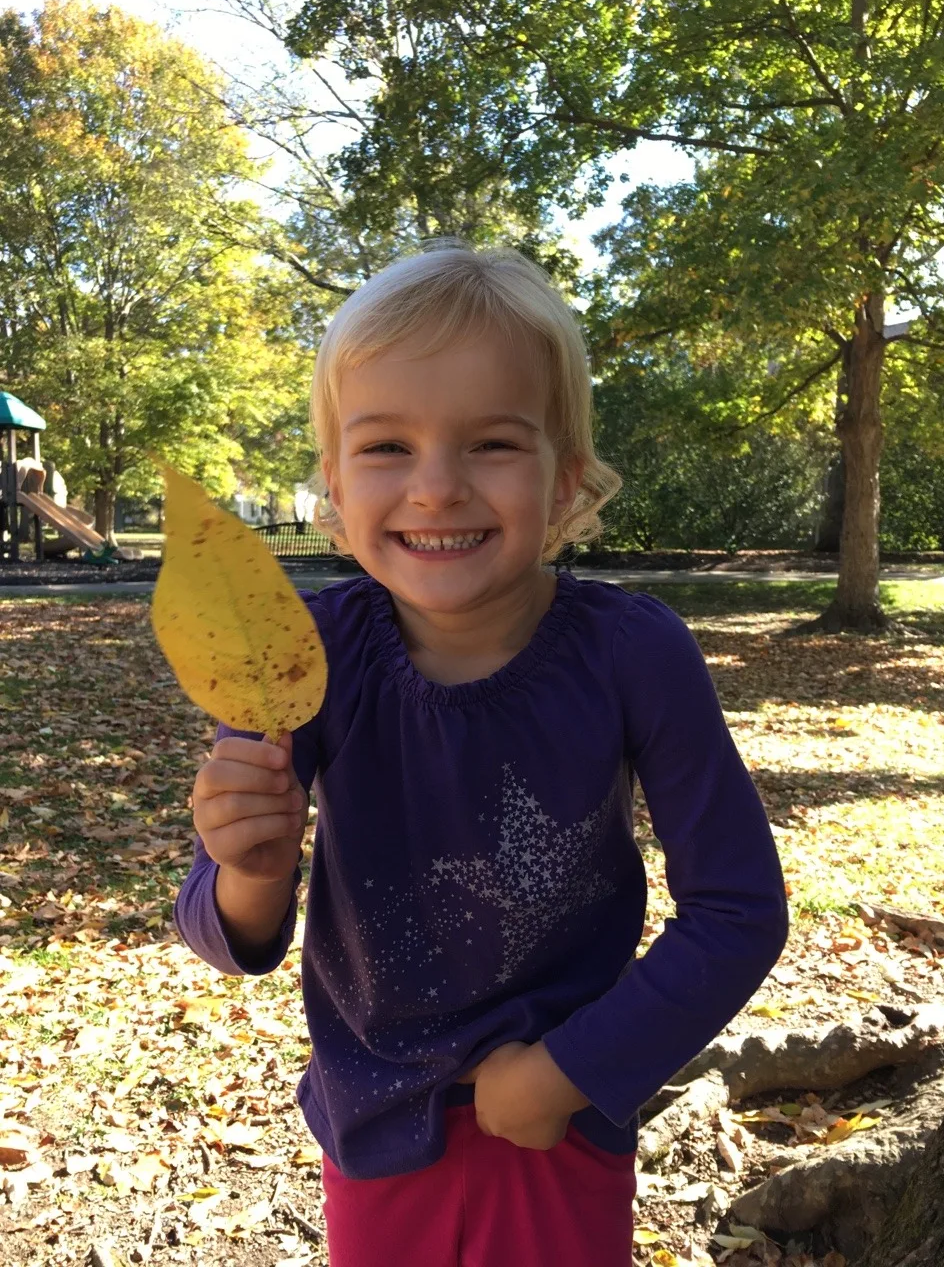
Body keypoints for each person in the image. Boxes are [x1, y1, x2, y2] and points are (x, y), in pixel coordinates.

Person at [174, 244, 789, 1267]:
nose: (437, 487)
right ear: (333, 483)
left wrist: (568, 1070)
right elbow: (229, 928)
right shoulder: (299, 654)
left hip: (561, 1118)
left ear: (567, 480)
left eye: (494, 442)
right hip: (374, 1123)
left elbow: (739, 911)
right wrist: (248, 866)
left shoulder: (635, 652)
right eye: (385, 448)